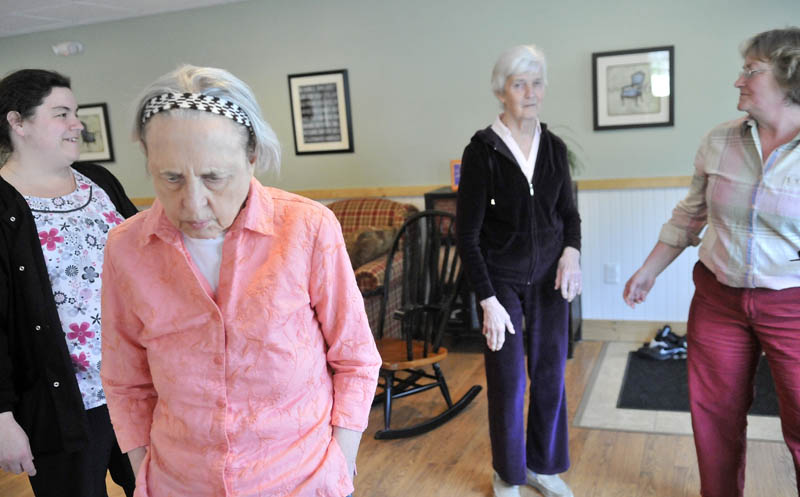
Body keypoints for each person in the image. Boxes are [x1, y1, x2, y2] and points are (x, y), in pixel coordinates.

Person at [99, 65, 382, 497]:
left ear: (252, 156)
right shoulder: (125, 248)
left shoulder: (307, 229)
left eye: (214, 177)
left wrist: (340, 462)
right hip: (179, 481)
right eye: (170, 178)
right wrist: (143, 470)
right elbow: (125, 380)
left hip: (300, 478)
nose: (192, 204)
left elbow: (356, 357)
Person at [623, 27, 800, 497]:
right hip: (718, 299)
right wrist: (649, 269)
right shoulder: (721, 140)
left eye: (751, 71)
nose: (738, 81)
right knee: (715, 418)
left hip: (791, 305)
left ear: (789, 77)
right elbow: (690, 214)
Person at [0, 69, 137, 496]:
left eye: (75, 113)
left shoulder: (101, 182)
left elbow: (153, 265)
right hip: (65, 407)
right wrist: (1, 419)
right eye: (62, 113)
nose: (77, 123)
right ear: (17, 122)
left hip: (139, 389)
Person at [456, 45, 581, 497]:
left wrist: (572, 252)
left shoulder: (554, 148)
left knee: (550, 373)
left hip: (550, 278)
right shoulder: (482, 152)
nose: (530, 93)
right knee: (509, 381)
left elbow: (569, 214)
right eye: (518, 84)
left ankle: (543, 467)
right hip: (501, 282)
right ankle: (509, 473)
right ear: (501, 91)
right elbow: (466, 235)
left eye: (537, 83)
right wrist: (487, 300)